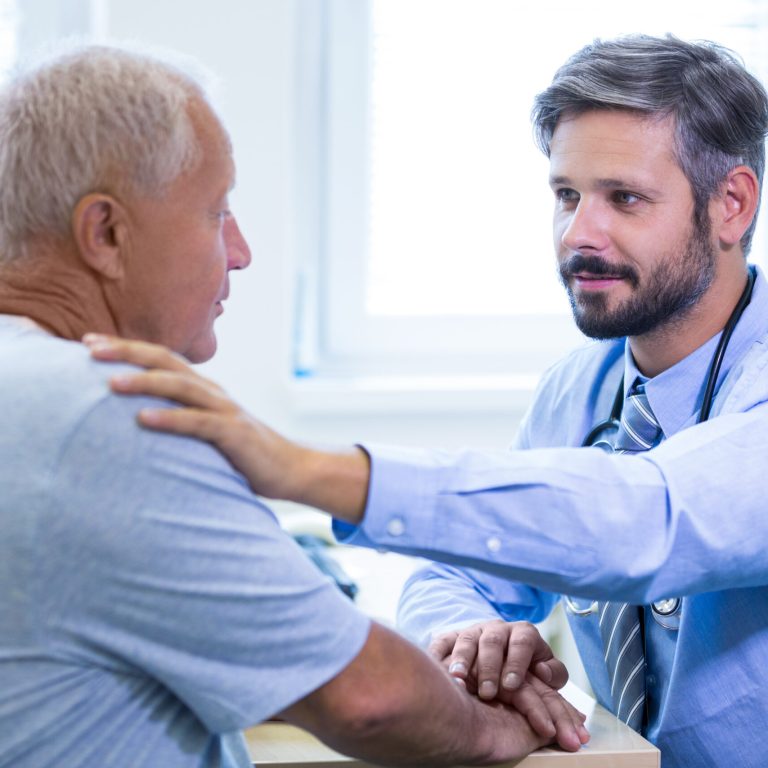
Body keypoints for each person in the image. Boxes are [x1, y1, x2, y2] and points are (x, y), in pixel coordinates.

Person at [91, 34, 768, 768]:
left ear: (730, 205)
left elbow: (646, 519)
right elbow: (456, 571)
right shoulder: (583, 386)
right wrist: (470, 631)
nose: (579, 234)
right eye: (566, 195)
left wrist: (309, 469)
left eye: (625, 199)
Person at [0, 44, 590, 768]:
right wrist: (503, 728)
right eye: (216, 212)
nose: (241, 252)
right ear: (106, 234)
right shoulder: (106, 411)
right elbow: (369, 699)